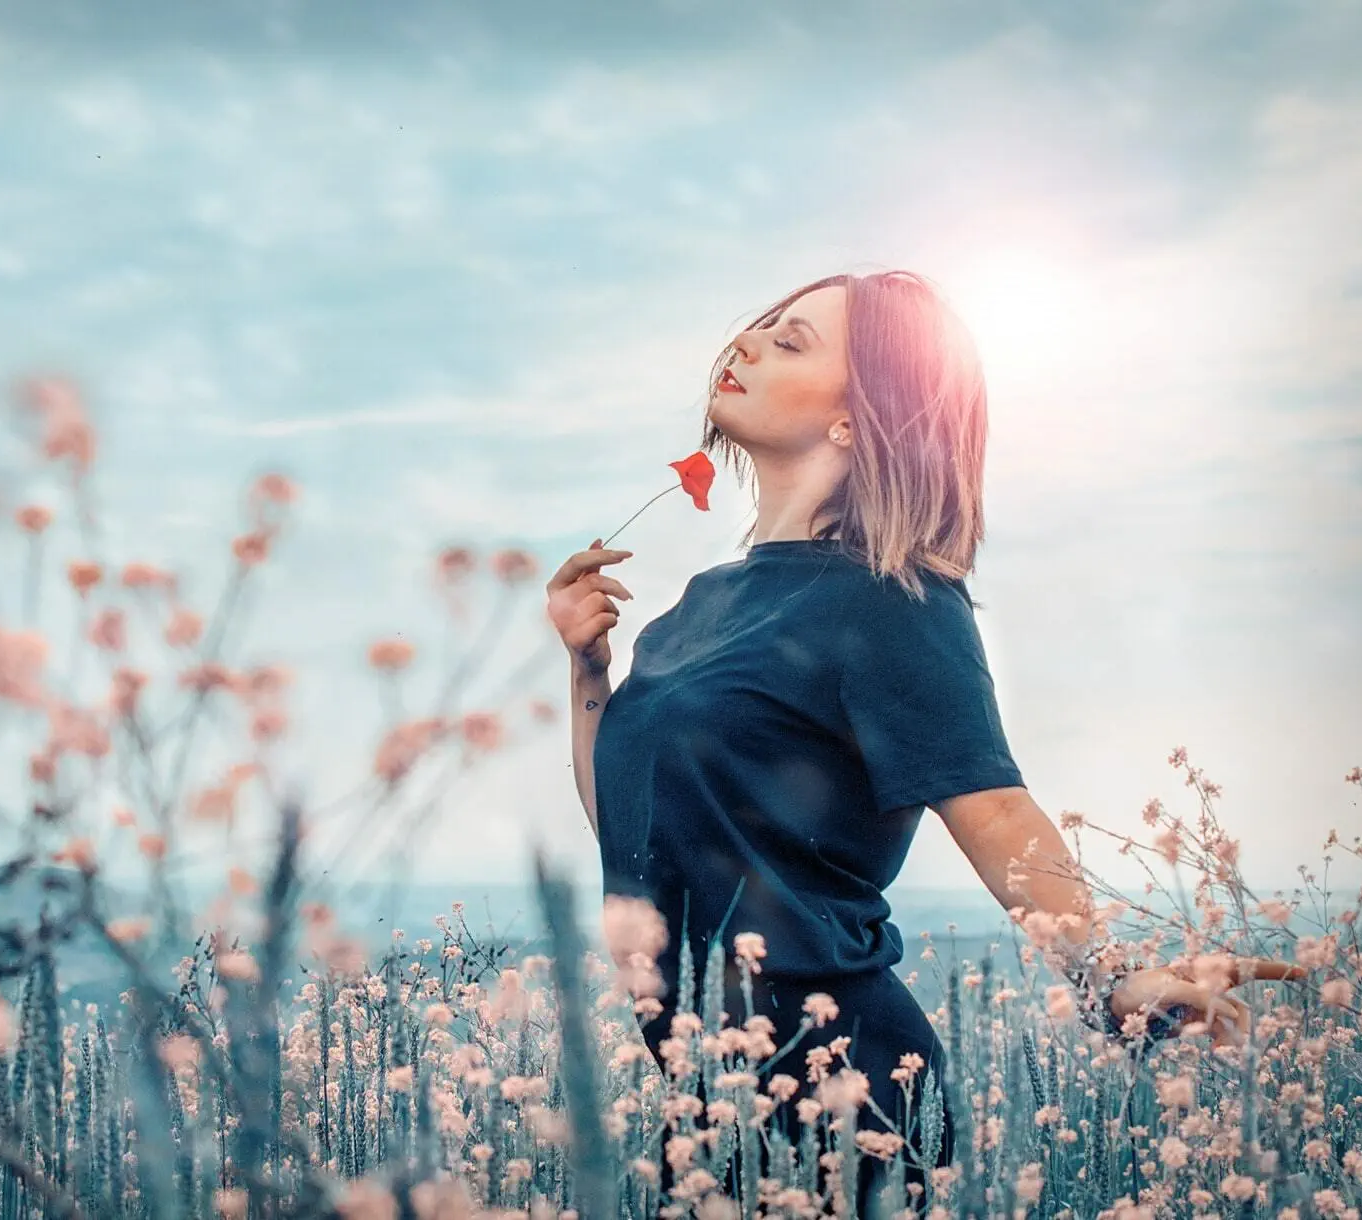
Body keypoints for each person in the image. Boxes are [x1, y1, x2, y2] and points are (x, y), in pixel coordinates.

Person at [544, 270, 1313, 1215]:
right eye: (760, 329)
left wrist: (1109, 974)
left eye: (791, 343)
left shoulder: (893, 598)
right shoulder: (703, 605)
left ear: (856, 422)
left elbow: (990, 803)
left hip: (841, 1087)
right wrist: (589, 676)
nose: (743, 345)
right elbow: (630, 827)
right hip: (699, 1091)